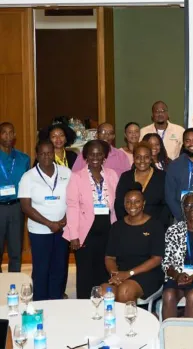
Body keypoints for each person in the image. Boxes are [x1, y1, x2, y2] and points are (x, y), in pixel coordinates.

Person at [63, 140, 119, 298]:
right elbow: (72, 206)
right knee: (85, 273)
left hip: (108, 228)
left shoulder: (112, 175)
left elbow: (116, 205)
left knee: (104, 270)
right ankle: (84, 308)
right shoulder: (76, 177)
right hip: (85, 231)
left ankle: (103, 305)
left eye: (99, 153)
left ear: (104, 156)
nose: (96, 156)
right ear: (85, 156)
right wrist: (74, 235)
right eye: (92, 153)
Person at [18, 140, 71, 300]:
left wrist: (64, 219)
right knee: (42, 269)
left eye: (49, 153)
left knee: (59, 268)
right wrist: (49, 224)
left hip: (62, 229)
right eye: (42, 153)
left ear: (54, 153)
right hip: (39, 231)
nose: (46, 156)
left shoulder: (66, 172)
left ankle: (56, 300)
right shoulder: (28, 177)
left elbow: (74, 199)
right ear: (37, 155)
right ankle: (40, 302)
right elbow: (26, 207)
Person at [103, 183, 165, 302]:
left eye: (137, 201)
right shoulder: (117, 226)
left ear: (143, 203)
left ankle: (129, 320)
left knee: (125, 291)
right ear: (124, 204)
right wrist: (114, 274)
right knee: (104, 291)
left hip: (147, 273)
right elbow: (110, 257)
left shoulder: (155, 225)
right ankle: (111, 321)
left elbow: (156, 259)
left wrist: (129, 273)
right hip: (121, 272)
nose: (132, 205)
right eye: (128, 202)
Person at [114, 143, 170, 225]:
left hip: (155, 227)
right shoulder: (126, 177)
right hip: (129, 227)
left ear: (151, 158)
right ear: (134, 158)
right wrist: (126, 224)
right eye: (138, 157)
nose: (142, 161)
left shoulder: (162, 177)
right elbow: (119, 204)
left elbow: (166, 206)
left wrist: (158, 226)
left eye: (146, 157)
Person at [0, 122, 30, 273]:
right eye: (4, 132)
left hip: (17, 208)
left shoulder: (23, 159)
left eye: (11, 132)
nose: (8, 136)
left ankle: (14, 284)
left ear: (15, 135)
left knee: (15, 251)